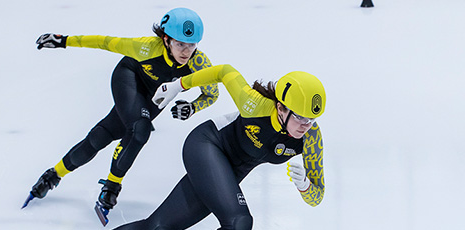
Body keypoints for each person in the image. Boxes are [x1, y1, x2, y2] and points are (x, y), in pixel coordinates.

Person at [22, 7, 219, 221]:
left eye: (191, 45)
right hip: (129, 78)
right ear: (165, 39)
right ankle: (112, 187)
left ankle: (53, 175)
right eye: (180, 44)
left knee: (101, 136)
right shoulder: (145, 48)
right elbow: (104, 41)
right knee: (140, 130)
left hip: (154, 98)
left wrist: (192, 107)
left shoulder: (199, 64)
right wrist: (64, 40)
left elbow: (212, 94)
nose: (186, 51)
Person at [114, 64, 326, 230]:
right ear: (280, 107)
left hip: (231, 170)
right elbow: (225, 71)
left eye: (312, 119)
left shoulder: (311, 139)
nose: (305, 126)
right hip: (208, 145)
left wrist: (305, 185)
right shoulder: (254, 104)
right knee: (239, 222)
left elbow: (317, 197)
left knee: (159, 227)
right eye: (299, 117)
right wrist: (178, 85)